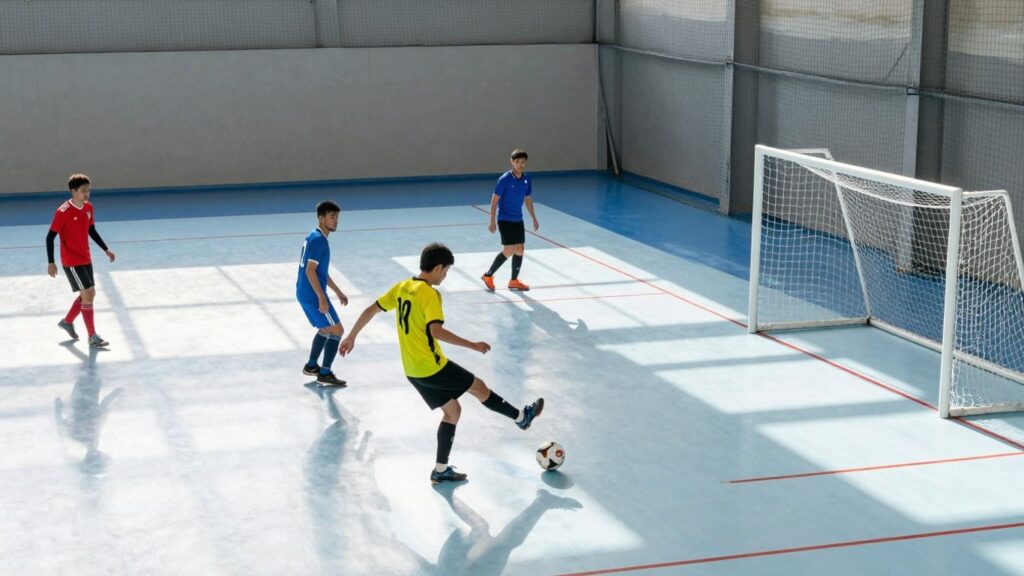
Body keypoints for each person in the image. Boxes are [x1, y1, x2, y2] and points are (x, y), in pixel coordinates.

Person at [340, 242, 544, 484]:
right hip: (432, 366)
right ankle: (521, 417)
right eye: (446, 271)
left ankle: (440, 469)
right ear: (437, 268)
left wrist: (351, 336)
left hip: (412, 370)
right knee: (479, 387)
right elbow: (436, 331)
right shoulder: (430, 294)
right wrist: (472, 345)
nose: (445, 276)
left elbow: (370, 310)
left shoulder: (401, 287)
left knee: (453, 411)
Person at [47, 173, 116, 348]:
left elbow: (91, 230)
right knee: (88, 294)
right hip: (71, 261)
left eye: (88, 191)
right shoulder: (62, 211)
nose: (87, 194)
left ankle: (67, 321)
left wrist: (106, 249)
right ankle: (92, 336)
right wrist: (51, 262)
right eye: (83, 191)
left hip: (85, 257)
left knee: (88, 294)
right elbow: (50, 237)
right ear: (73, 191)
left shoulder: (88, 208)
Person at [296, 201, 348, 387]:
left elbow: (320, 272)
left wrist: (338, 291)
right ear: (321, 218)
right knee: (338, 331)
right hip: (312, 295)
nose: (336, 221)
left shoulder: (314, 236)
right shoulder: (320, 241)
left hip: (303, 292)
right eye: (332, 217)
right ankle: (325, 373)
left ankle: (311, 366)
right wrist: (322, 298)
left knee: (326, 329)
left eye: (337, 217)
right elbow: (311, 271)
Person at [480, 149, 539, 292]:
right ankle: (488, 275)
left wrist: (533, 218)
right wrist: (492, 221)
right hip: (505, 219)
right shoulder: (504, 179)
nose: (520, 164)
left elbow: (528, 200)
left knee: (520, 249)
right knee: (509, 249)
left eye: (523, 162)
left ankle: (513, 281)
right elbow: (494, 202)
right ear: (512, 162)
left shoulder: (527, 179)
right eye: (517, 162)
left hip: (518, 219)